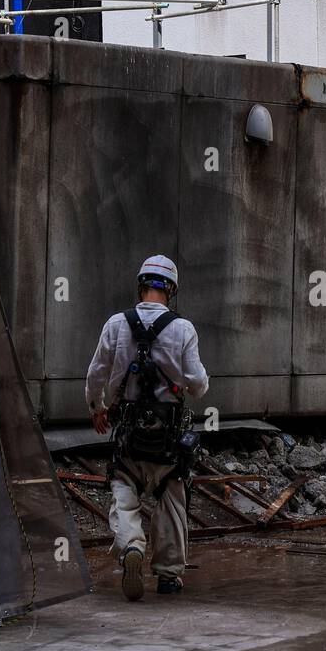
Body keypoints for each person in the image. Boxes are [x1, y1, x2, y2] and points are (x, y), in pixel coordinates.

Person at [86, 255, 209, 599]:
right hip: (168, 438)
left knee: (124, 494)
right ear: (171, 290)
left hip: (127, 431)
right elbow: (197, 385)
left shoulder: (115, 324)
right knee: (171, 499)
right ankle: (168, 576)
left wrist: (96, 408)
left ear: (141, 286)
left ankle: (131, 548)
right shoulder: (183, 329)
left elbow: (95, 374)